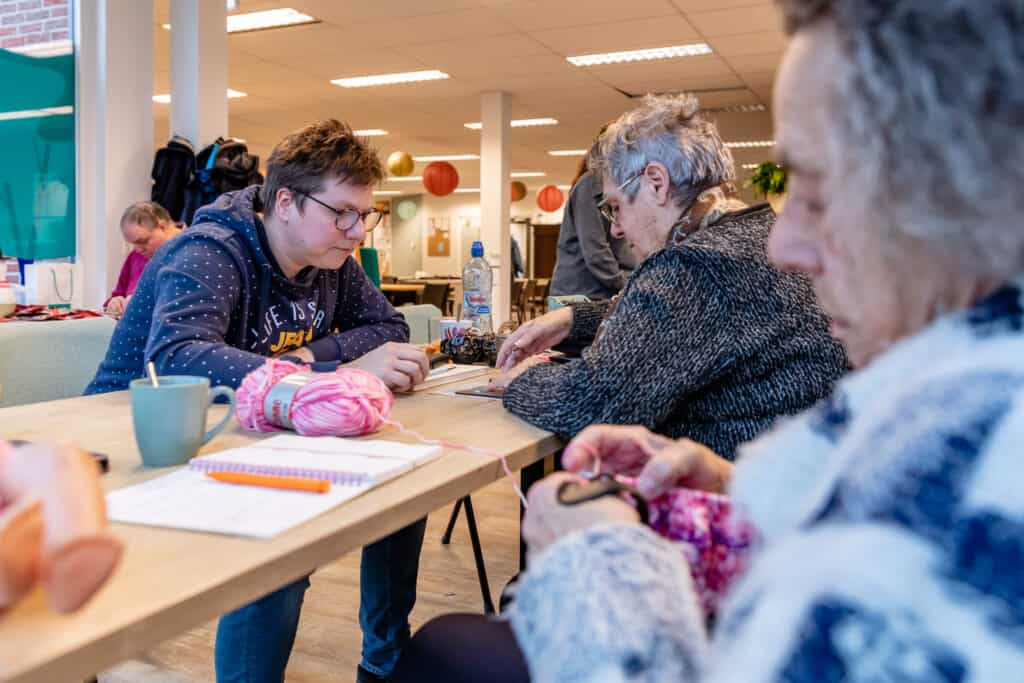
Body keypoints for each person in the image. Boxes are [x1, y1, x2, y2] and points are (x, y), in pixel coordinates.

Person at [393, 1, 1024, 680]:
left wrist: (599, 558)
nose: (788, 241)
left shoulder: (700, 264)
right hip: (732, 500)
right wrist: (733, 482)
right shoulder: (952, 388)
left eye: (819, 191)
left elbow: (592, 399)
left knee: (442, 649)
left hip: (692, 592)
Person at [85, 119, 431, 682]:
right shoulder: (211, 248)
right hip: (133, 446)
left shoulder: (331, 263)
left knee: (403, 490)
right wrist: (326, 370)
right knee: (283, 551)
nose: (357, 231)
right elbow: (178, 358)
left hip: (239, 433)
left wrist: (308, 364)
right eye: (341, 212)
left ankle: (384, 665)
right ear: (287, 201)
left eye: (364, 214)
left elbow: (388, 327)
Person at [494, 93, 848, 458]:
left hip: (736, 493)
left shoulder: (698, 266)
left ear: (656, 183)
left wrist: (521, 380)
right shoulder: (755, 233)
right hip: (799, 472)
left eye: (616, 207)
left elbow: (590, 404)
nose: (615, 229)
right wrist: (574, 319)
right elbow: (684, 322)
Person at [548, 152, 637, 300]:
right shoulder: (591, 184)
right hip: (584, 293)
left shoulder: (622, 184)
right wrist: (625, 283)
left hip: (602, 290)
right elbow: (595, 249)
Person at [104, 201, 180, 315]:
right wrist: (114, 302)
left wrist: (141, 302)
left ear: (163, 227)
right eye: (133, 244)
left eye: (143, 241)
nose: (139, 249)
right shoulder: (136, 256)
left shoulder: (188, 254)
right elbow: (118, 294)